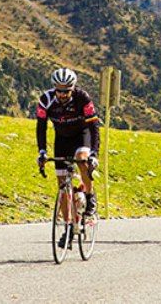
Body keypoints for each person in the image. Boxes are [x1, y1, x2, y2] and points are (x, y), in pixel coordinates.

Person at [36, 67, 100, 249]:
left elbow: (94, 126)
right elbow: (41, 127)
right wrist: (41, 152)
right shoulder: (45, 100)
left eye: (66, 91)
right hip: (62, 139)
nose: (62, 94)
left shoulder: (83, 98)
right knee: (63, 186)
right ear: (54, 87)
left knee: (81, 157)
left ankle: (90, 195)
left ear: (73, 88)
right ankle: (69, 227)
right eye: (59, 90)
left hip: (82, 134)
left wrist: (94, 154)